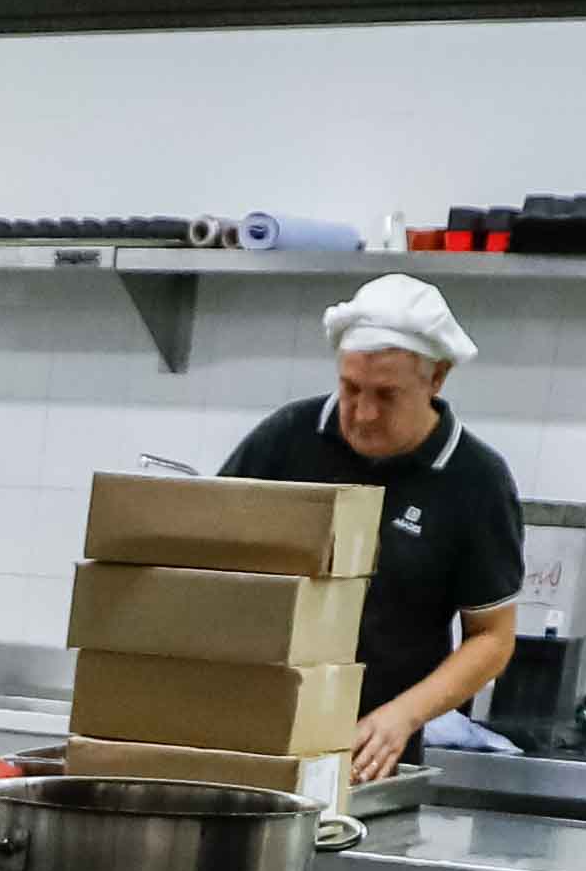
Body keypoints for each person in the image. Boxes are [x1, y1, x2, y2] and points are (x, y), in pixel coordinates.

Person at [211, 271, 528, 785]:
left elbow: (492, 639)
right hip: (249, 731)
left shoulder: (475, 481)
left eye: (386, 395)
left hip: (370, 752)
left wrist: (402, 716)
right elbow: (200, 553)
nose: (361, 414)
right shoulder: (289, 438)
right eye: (350, 387)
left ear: (437, 379)